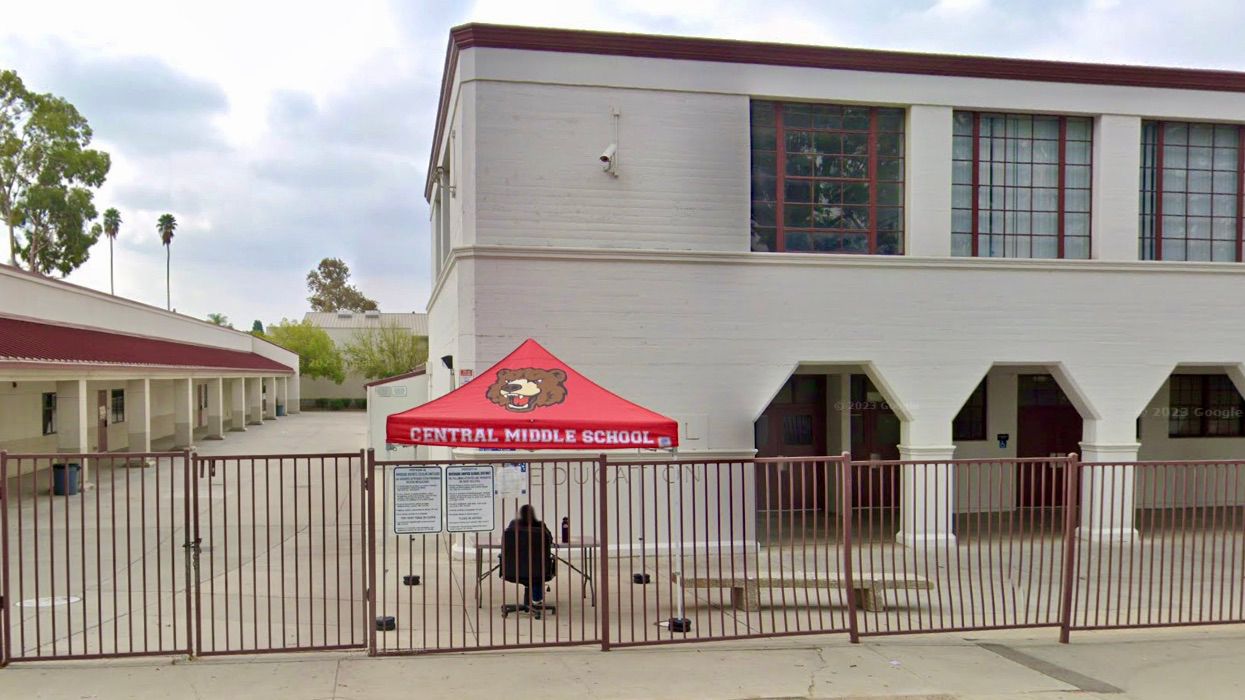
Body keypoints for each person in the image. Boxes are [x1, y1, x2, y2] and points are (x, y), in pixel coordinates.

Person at [501, 504, 555, 609]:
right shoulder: (540, 526)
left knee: (532, 565)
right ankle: (537, 598)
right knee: (538, 565)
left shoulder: (513, 525)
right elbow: (550, 540)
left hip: (514, 569)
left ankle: (534, 599)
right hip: (538, 570)